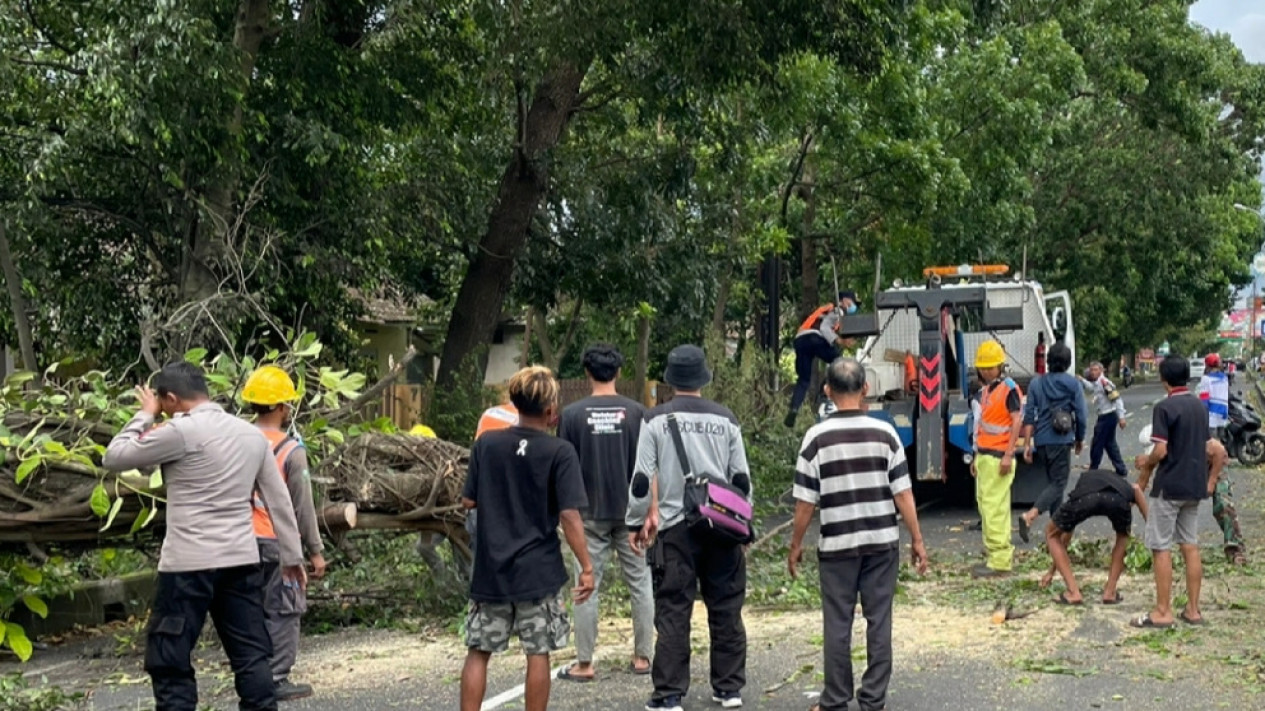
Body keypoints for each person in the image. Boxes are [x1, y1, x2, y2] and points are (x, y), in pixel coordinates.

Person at [102, 362, 306, 711]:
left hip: (187, 566)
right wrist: (292, 558)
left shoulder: (177, 431)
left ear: (169, 398)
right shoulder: (251, 436)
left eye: (162, 403)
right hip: (240, 561)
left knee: (170, 658)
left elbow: (114, 457)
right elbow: (279, 501)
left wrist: (145, 416)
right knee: (252, 655)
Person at [788, 358, 928, 711]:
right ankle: (873, 699)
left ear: (827, 391)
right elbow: (903, 493)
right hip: (881, 544)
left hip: (836, 548)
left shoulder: (815, 438)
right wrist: (917, 539)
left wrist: (795, 545)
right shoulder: (886, 434)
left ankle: (835, 699)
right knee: (879, 621)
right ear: (866, 389)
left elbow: (806, 503)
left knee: (837, 623)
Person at [459, 366, 595, 711]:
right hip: (538, 571)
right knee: (538, 652)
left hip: (491, 569)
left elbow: (468, 501)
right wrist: (587, 566)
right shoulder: (559, 452)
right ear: (551, 410)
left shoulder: (486, 444)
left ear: (514, 403)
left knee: (478, 651)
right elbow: (569, 514)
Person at [627, 344, 752, 711]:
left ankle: (668, 694)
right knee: (727, 607)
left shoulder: (654, 420)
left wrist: (637, 521)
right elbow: (742, 480)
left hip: (674, 528)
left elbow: (639, 480)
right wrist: (743, 525)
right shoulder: (726, 419)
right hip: (722, 526)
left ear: (670, 380)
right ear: (703, 378)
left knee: (673, 610)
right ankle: (728, 689)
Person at [556, 344, 652, 682]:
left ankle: (584, 663)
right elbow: (648, 467)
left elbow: (563, 469)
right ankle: (643, 659)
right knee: (640, 583)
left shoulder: (571, 415)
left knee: (586, 585)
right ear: (619, 372)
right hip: (632, 515)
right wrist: (651, 511)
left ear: (586, 372)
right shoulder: (638, 413)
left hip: (587, 514)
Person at [240, 365, 327, 701]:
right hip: (275, 543)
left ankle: (252, 674)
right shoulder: (292, 450)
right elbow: (301, 506)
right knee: (284, 609)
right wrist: (314, 550)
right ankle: (276, 678)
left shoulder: (235, 440)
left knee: (248, 610)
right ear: (281, 407)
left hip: (236, 542)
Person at [1132, 354, 1211, 628]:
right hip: (1195, 484)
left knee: (1160, 545)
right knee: (1190, 545)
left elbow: (1161, 450)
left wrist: (1147, 461)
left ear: (1163, 379)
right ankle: (1193, 610)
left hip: (1170, 486)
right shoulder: (1200, 407)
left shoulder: (1165, 408)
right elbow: (1207, 446)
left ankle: (1163, 611)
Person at [1037, 469, 1149, 605]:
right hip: (1117, 501)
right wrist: (1155, 535)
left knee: (1051, 533)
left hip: (1086, 499)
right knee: (1123, 537)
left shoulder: (1085, 481)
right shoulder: (1126, 487)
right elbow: (1137, 489)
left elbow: (1066, 534)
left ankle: (1073, 592)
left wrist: (1051, 572)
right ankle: (1110, 592)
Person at [1017, 342, 1087, 543]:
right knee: (1059, 483)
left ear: (1047, 362)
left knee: (1054, 485)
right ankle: (1030, 515)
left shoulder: (1036, 384)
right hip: (1061, 439)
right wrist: (1079, 438)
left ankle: (1056, 533)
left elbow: (1029, 416)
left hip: (1042, 440)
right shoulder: (1073, 384)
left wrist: (1027, 444)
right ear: (1068, 363)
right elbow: (1081, 415)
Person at [970, 340, 1023, 578]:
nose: (986, 371)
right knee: (986, 506)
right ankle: (994, 555)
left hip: (999, 456)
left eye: (990, 367)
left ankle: (1000, 561)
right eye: (983, 367)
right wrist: (975, 456)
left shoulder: (1008, 388)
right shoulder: (987, 391)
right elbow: (982, 426)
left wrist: (1009, 454)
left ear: (1000, 366)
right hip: (986, 456)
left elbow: (1016, 421)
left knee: (994, 509)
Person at [785, 290, 858, 427]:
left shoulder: (826, 310)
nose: (854, 306)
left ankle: (794, 409)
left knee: (803, 380)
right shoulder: (839, 310)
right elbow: (824, 328)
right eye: (852, 302)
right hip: (815, 338)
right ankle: (825, 393)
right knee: (838, 361)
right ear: (844, 300)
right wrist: (839, 341)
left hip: (800, 340)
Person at [1078, 361, 1128, 477]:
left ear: (1101, 371)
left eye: (1095, 370)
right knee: (1109, 444)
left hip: (1108, 416)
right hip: (1105, 416)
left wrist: (1122, 417)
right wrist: (1082, 380)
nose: (1093, 372)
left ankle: (1094, 468)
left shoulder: (1104, 382)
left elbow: (1117, 399)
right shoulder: (1097, 383)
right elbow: (1092, 388)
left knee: (1097, 443)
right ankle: (1121, 469)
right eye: (1091, 370)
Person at [1197, 353, 1229, 440]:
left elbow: (1204, 399)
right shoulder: (1224, 378)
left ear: (1207, 364)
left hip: (1212, 413)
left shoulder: (1206, 379)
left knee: (1212, 442)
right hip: (1223, 412)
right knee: (1221, 440)